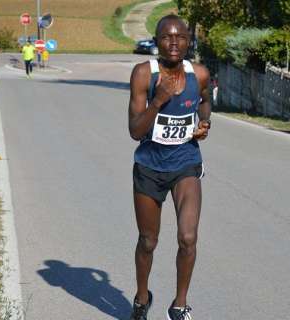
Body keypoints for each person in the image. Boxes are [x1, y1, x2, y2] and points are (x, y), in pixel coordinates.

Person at [127, 14, 211, 320]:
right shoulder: (142, 75)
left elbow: (204, 101)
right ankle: (141, 297)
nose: (174, 43)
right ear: (157, 40)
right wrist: (158, 101)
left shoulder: (199, 74)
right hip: (149, 167)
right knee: (148, 241)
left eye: (180, 38)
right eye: (166, 37)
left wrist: (204, 122)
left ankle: (179, 305)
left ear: (189, 42)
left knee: (188, 237)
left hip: (185, 163)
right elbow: (135, 130)